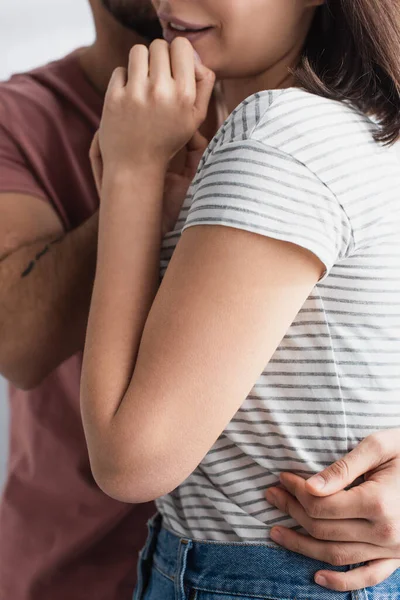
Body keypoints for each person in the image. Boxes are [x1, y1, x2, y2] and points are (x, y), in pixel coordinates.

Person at [80, 0, 400, 599]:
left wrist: (131, 173)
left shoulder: (281, 132)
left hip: (271, 577)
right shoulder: (354, 120)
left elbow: (130, 461)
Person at [0, 2, 163, 599]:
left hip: (260, 566)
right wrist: (141, 171)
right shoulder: (17, 115)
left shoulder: (305, 111)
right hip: (70, 572)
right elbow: (17, 343)